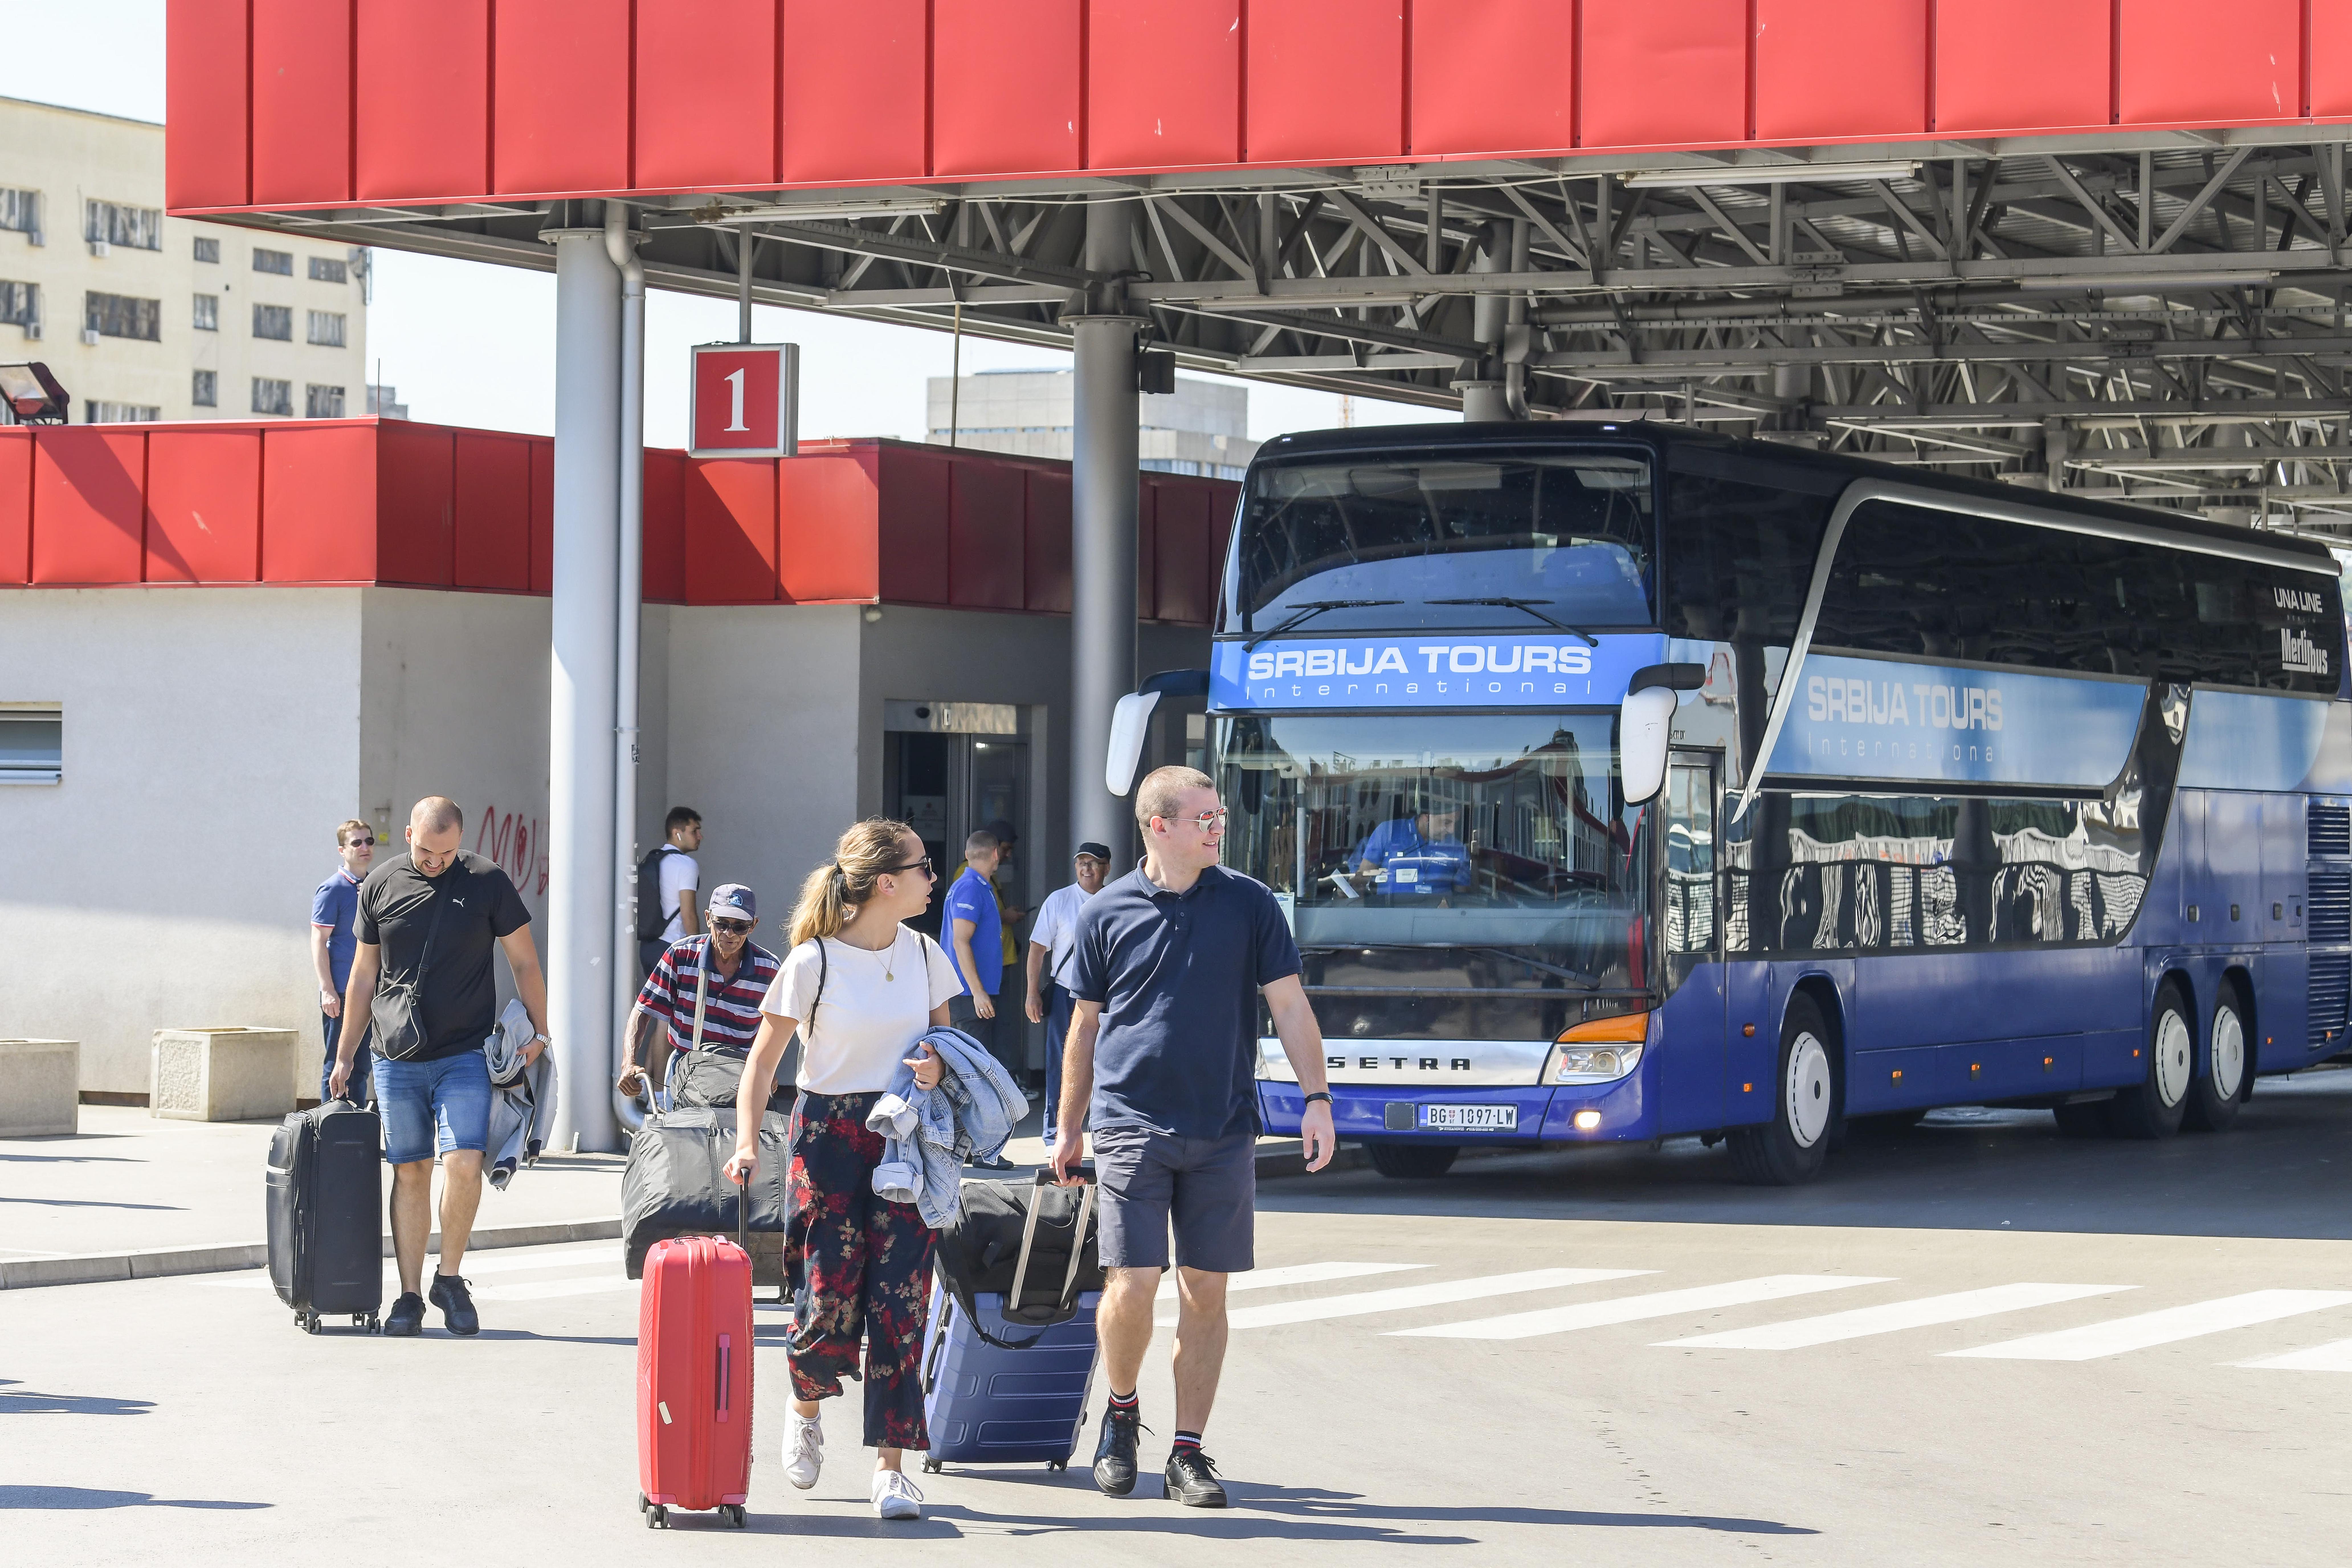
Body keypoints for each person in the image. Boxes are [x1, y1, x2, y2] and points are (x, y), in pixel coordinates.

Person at [1051, 766, 1335, 1508]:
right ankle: (1121, 1416)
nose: (1219, 828)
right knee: (1134, 1280)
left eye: (1220, 817)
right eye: (1204, 818)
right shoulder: (1105, 912)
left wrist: (1318, 1099)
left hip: (1223, 1125)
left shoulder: (1249, 903)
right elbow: (1084, 1026)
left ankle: (1187, 1451)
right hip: (1129, 1122)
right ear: (1159, 826)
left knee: (1206, 1289)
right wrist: (1069, 1126)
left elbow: (1291, 1007)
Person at [724, 818, 963, 1522]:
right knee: (827, 1293)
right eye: (924, 868)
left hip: (904, 1133)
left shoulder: (925, 954)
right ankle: (805, 1409)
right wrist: (747, 1142)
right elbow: (761, 1065)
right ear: (887, 883)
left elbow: (946, 1044)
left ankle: (892, 1470)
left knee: (902, 1300)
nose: (933, 879)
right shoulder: (813, 962)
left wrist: (936, 1066)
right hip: (827, 1137)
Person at [332, 796, 549, 1339]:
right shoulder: (380, 884)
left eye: (446, 853)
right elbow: (363, 976)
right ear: (409, 834)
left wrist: (541, 1033)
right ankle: (409, 1296)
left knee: (465, 1162)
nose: (435, 861)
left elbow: (524, 960)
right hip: (395, 1055)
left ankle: (448, 1277)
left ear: (461, 841)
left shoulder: (487, 881)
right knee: (410, 1170)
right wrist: (345, 1054)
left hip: (464, 1053)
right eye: (426, 851)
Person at [618, 883, 783, 1110]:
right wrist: (629, 1063)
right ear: (708, 919)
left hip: (742, 1074)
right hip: (687, 1071)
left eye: (740, 927)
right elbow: (643, 1010)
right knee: (683, 1132)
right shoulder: (681, 955)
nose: (729, 934)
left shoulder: (770, 969)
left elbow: (779, 1028)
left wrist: (768, 1068)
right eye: (722, 924)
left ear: (753, 926)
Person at [1024, 841, 1110, 1143]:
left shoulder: (1117, 900)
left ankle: (1100, 1130)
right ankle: (1055, 1132)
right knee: (1061, 1061)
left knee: (1106, 1062)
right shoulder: (1059, 900)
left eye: (1094, 863)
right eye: (1082, 862)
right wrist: (1032, 993)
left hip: (1107, 996)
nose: (1087, 868)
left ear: (1107, 868)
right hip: (1066, 994)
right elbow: (1037, 949)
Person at [943, 830, 1016, 1163]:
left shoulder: (978, 885)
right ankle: (983, 1151)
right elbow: (961, 941)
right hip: (968, 995)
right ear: (996, 854)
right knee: (976, 1075)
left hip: (969, 994)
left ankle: (975, 1148)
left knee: (973, 1072)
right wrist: (978, 991)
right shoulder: (971, 886)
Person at [310, 818, 375, 1104]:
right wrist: (327, 989)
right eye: (356, 842)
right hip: (341, 991)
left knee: (361, 1067)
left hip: (370, 990)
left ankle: (356, 1125)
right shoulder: (333, 889)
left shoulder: (375, 885)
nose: (364, 847)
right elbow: (318, 940)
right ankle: (331, 1124)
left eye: (369, 841)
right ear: (342, 850)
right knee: (337, 1064)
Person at [1351, 803, 1472, 894]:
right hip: (1389, 915)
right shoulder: (1388, 832)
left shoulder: (1458, 849)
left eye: (1455, 823)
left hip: (1437, 917)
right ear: (1426, 817)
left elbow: (1461, 899)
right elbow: (1362, 879)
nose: (1452, 830)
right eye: (1447, 823)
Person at [638, 807, 704, 975]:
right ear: (677, 833)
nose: (700, 837)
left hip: (648, 948)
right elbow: (688, 914)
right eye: (694, 831)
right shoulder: (686, 864)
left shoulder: (653, 860)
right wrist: (698, 953)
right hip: (672, 948)